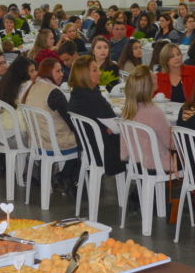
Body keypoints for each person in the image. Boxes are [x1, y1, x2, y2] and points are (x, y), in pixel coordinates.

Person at [20, 57, 79, 189]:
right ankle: (67, 176)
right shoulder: (54, 92)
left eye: (62, 71)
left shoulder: (32, 86)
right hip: (56, 143)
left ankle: (64, 176)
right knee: (87, 139)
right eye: (58, 71)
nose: (62, 74)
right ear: (48, 73)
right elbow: (70, 120)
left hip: (37, 141)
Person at [67, 55, 125, 176]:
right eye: (95, 70)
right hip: (104, 151)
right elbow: (115, 126)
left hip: (88, 148)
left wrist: (108, 127)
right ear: (84, 75)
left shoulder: (76, 94)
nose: (100, 72)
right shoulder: (93, 98)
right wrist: (110, 128)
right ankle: (143, 188)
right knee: (140, 140)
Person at [120, 65, 177, 175]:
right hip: (156, 165)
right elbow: (172, 143)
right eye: (154, 77)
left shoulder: (127, 110)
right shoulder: (154, 112)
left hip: (135, 162)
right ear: (149, 85)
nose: (156, 76)